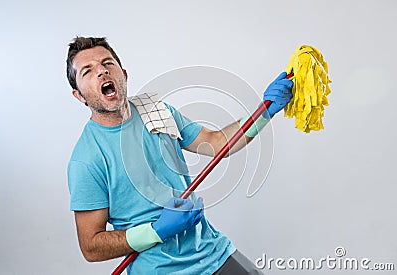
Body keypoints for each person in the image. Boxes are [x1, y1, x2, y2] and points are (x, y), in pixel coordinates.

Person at [66, 36, 293, 274]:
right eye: (87, 71)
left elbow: (217, 144)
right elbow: (91, 246)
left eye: (107, 63)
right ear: (79, 95)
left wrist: (264, 111)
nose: (102, 71)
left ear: (123, 74)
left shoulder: (155, 111)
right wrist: (156, 230)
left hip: (214, 253)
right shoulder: (87, 159)